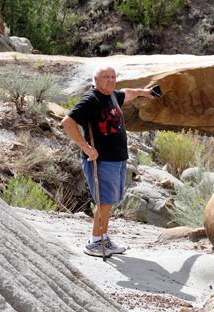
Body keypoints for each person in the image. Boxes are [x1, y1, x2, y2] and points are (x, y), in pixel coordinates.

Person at [61, 65, 157, 257]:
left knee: (109, 202)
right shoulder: (91, 98)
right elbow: (67, 122)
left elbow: (126, 93)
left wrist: (143, 92)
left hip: (117, 159)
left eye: (113, 77)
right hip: (101, 160)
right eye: (106, 77)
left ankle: (103, 238)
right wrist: (87, 148)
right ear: (95, 80)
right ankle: (94, 242)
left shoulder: (112, 95)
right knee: (104, 202)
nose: (110, 80)